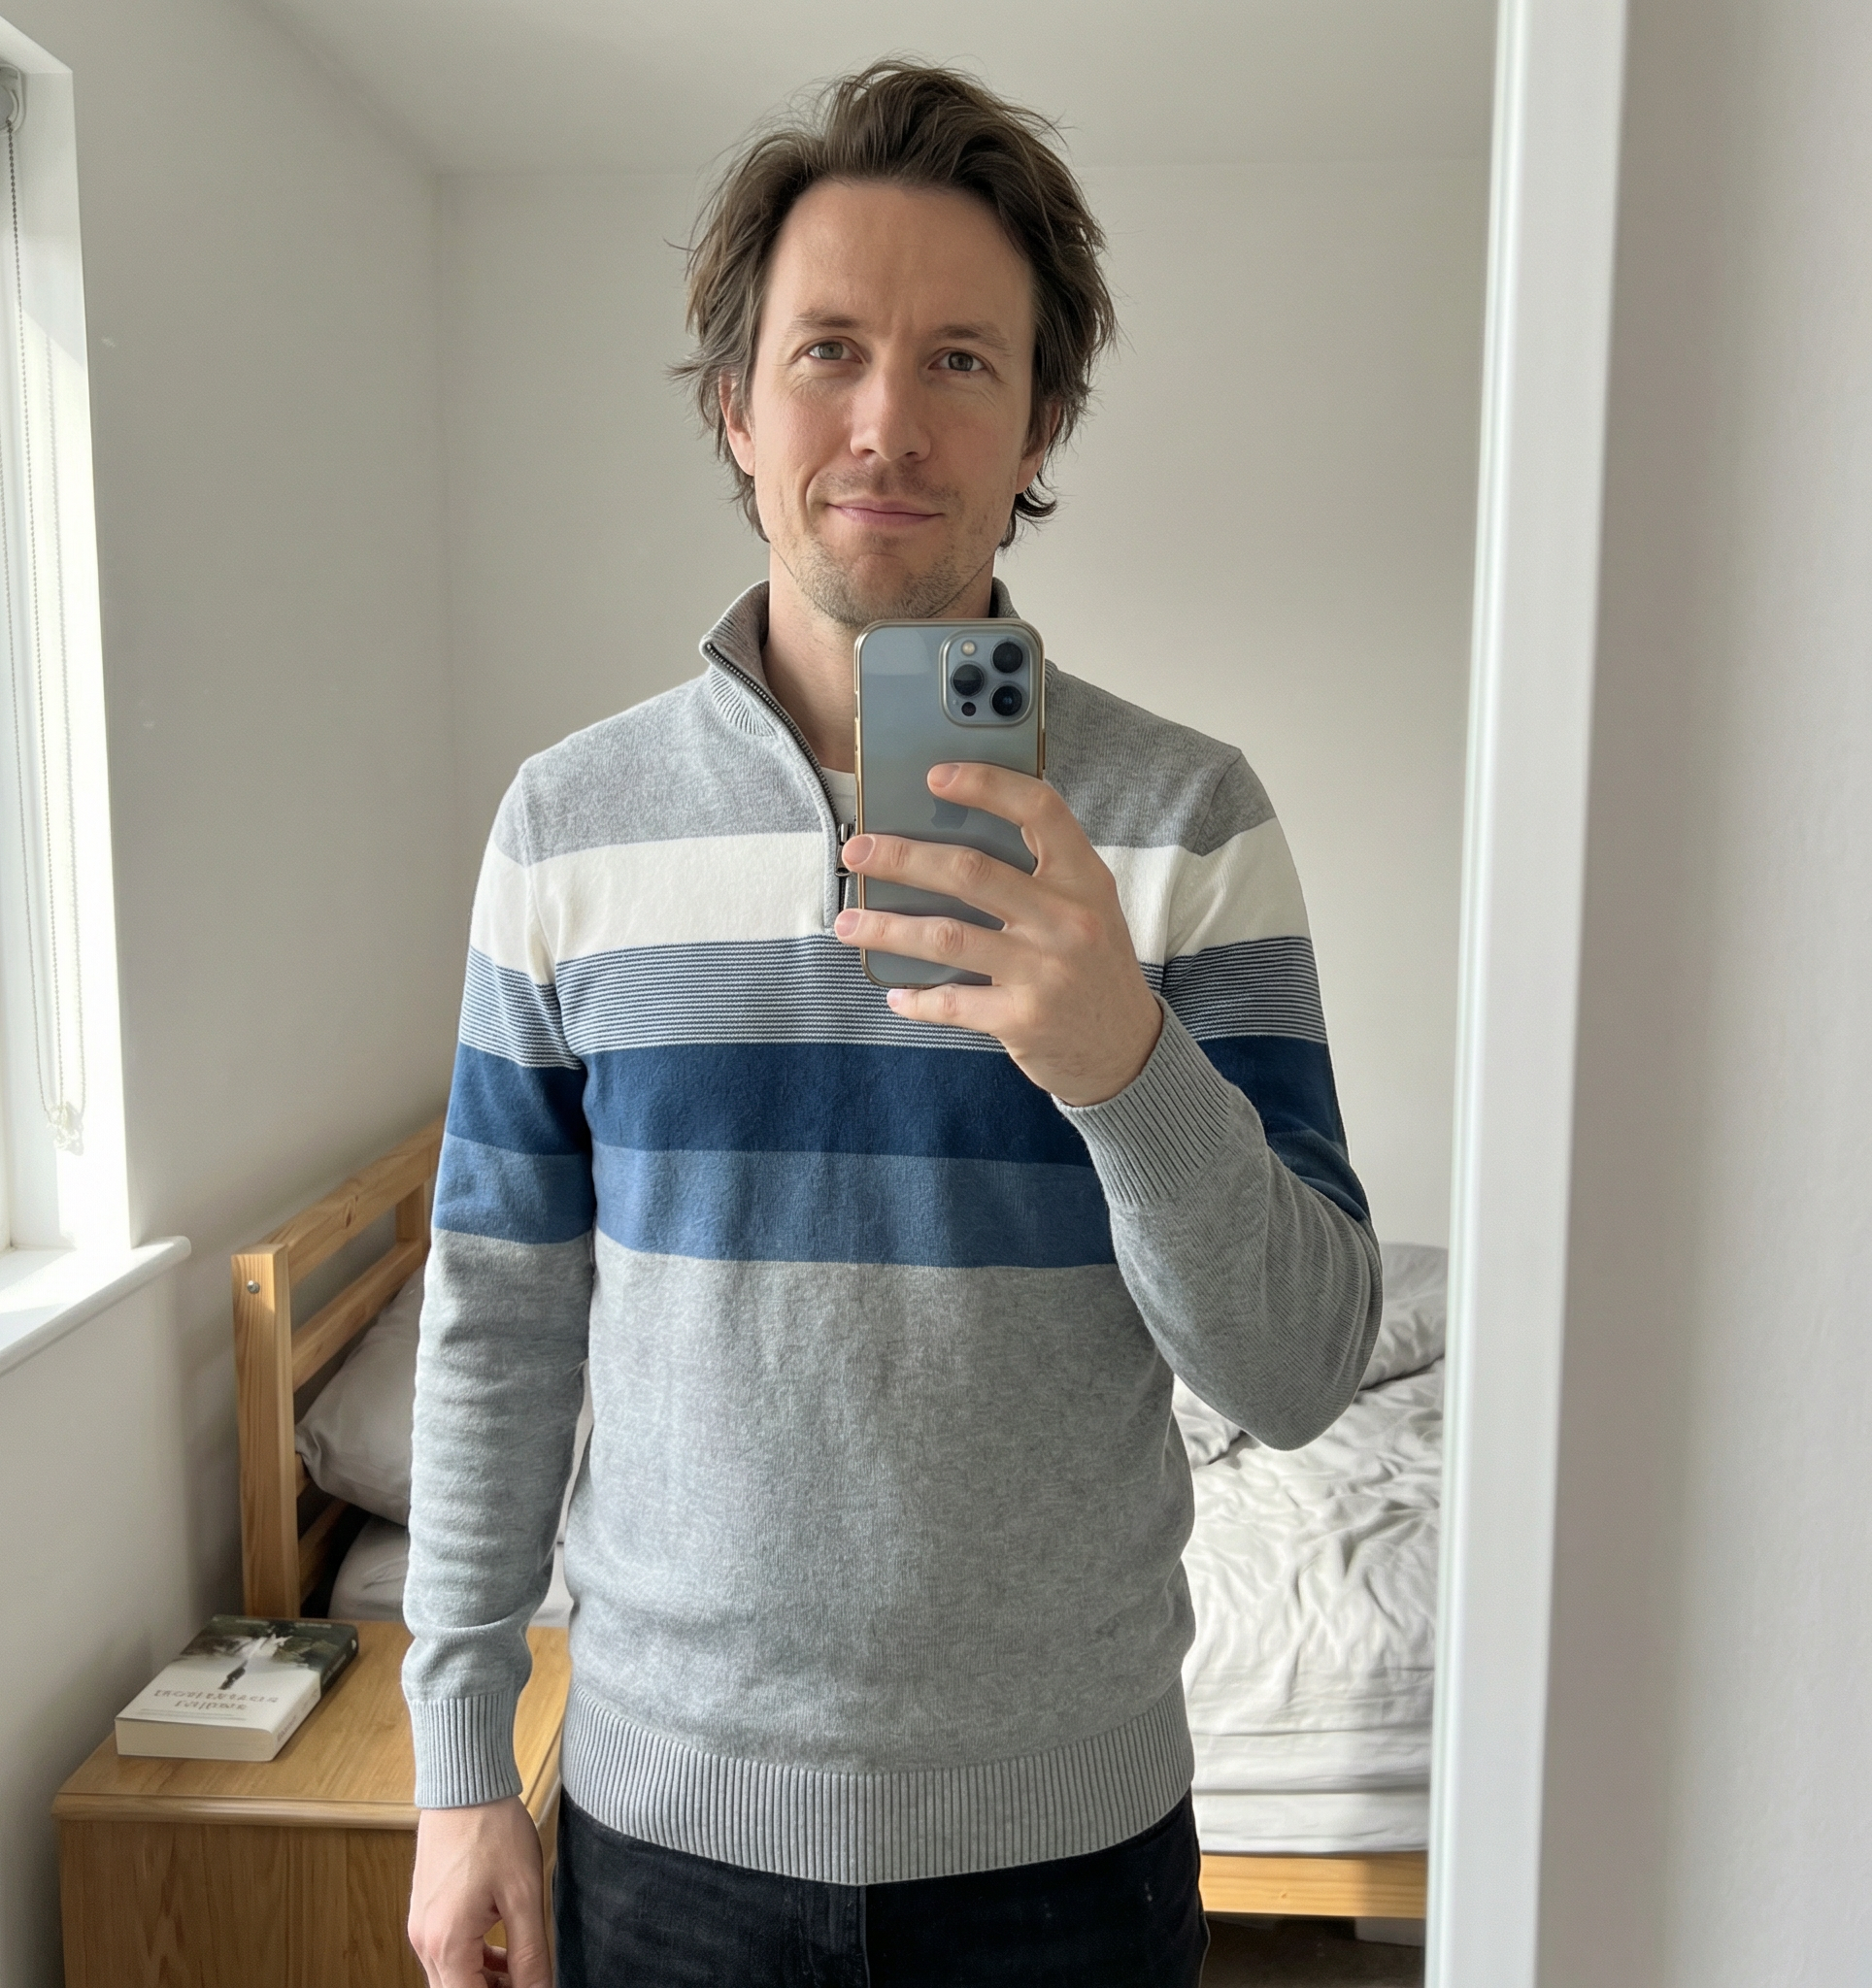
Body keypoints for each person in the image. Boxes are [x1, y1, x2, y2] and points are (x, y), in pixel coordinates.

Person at [403, 60, 1381, 1988]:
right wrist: (458, 1767)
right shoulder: (565, 826)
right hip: (664, 1836)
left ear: (1040, 425)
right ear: (735, 405)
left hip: (1067, 1853)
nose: (885, 423)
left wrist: (1122, 1064)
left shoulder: (1189, 820)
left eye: (959, 362)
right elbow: (496, 1314)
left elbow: (1298, 1367)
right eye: (828, 351)